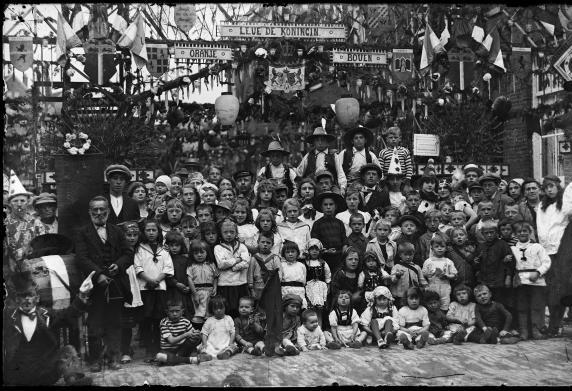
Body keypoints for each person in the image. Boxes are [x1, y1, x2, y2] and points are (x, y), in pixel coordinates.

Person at [3, 270, 96, 386]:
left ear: (37, 298)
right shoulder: (7, 318)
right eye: (23, 296)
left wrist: (82, 294)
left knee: (68, 350)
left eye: (30, 295)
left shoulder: (47, 315)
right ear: (17, 299)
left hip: (45, 373)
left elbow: (68, 315)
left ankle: (73, 381)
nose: (27, 299)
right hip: (17, 377)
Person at [74, 196, 133, 371]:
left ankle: (113, 358)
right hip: (94, 287)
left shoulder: (117, 231)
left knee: (114, 322)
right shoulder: (82, 233)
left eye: (102, 209)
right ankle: (95, 360)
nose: (99, 213)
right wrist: (98, 275)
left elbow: (128, 253)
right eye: (95, 210)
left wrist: (119, 265)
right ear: (89, 212)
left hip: (115, 284)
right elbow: (81, 258)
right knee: (94, 323)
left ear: (107, 211)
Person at [536, 177, 572, 337]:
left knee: (561, 289)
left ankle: (556, 325)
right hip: (546, 252)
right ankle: (553, 324)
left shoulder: (564, 205)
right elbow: (540, 228)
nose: (549, 190)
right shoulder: (541, 206)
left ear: (558, 187)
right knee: (549, 290)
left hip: (561, 251)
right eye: (546, 187)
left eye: (552, 186)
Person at [134, 218, 174, 361]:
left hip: (160, 288)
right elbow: (137, 267)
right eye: (148, 230)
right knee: (146, 318)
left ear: (158, 232)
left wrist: (157, 280)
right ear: (143, 232)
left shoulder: (164, 250)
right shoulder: (139, 248)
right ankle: (148, 349)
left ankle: (158, 348)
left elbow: (168, 268)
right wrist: (149, 280)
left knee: (159, 318)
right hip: (145, 288)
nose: (151, 233)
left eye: (154, 230)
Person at [511, 221, 551, 340]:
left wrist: (538, 272)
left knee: (536, 306)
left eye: (525, 231)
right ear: (515, 234)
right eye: (519, 231)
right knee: (522, 307)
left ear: (530, 232)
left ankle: (536, 330)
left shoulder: (537, 247)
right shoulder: (512, 249)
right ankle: (524, 332)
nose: (522, 233)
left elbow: (546, 262)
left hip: (536, 282)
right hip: (521, 282)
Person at [474, 220, 514, 315]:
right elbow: (477, 264)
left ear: (496, 232)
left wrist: (508, 277)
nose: (489, 235)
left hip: (499, 280)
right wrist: (475, 262)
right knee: (487, 303)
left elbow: (511, 262)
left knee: (500, 303)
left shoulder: (502, 244)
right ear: (482, 234)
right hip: (485, 280)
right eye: (486, 233)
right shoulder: (481, 246)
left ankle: (504, 325)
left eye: (491, 232)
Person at [118, 221, 144, 365]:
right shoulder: (120, 250)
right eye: (129, 235)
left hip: (139, 284)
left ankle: (131, 347)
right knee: (123, 319)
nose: (132, 238)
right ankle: (124, 350)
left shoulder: (140, 249)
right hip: (125, 284)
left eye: (135, 235)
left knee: (134, 319)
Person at [213, 218, 250, 319]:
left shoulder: (242, 247)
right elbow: (221, 264)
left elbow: (246, 262)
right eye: (225, 232)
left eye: (232, 232)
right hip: (225, 284)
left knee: (241, 311)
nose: (229, 235)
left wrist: (234, 267)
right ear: (220, 233)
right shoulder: (218, 248)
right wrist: (237, 260)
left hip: (240, 283)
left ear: (236, 233)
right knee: (227, 310)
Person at [297, 126, 346, 193]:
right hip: (314, 185)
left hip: (330, 185)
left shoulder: (333, 155)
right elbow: (299, 173)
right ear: (314, 142)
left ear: (327, 142)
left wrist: (342, 187)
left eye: (322, 140)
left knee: (337, 195)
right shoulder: (309, 155)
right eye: (317, 140)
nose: (320, 143)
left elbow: (340, 173)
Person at [154, 300, 201, 365]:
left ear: (182, 311)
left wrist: (196, 334)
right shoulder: (164, 322)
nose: (175, 314)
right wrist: (186, 334)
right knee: (159, 356)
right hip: (168, 351)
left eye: (177, 311)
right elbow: (172, 341)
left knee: (194, 338)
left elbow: (192, 335)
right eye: (172, 311)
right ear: (167, 312)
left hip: (182, 350)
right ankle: (188, 360)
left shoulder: (185, 321)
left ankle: (175, 359)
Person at [5, 172, 35, 272]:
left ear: (28, 202)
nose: (19, 204)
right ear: (9, 203)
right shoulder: (5, 224)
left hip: (34, 268)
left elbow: (42, 245)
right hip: (9, 270)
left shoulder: (36, 223)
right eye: (15, 201)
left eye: (22, 201)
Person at [311, 191, 348, 272]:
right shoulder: (317, 224)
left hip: (338, 258)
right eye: (325, 205)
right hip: (323, 258)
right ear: (321, 207)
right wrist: (326, 251)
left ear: (335, 206)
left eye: (331, 204)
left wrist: (344, 248)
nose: (328, 207)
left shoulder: (339, 223)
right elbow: (314, 243)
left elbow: (344, 239)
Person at [422, 233, 458, 311]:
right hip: (432, 287)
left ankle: (443, 320)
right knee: (432, 304)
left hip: (445, 287)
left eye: (442, 246)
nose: (439, 248)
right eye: (437, 247)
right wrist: (430, 274)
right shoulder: (428, 261)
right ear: (432, 248)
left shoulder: (448, 261)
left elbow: (455, 275)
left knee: (444, 304)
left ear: (446, 248)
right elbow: (423, 274)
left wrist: (447, 276)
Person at [187, 239, 219, 328]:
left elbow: (215, 277)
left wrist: (215, 287)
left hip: (209, 292)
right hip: (198, 292)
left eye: (202, 252)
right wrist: (195, 294)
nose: (199, 255)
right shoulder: (191, 265)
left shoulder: (211, 264)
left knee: (209, 314)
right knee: (198, 314)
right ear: (192, 254)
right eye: (196, 253)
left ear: (207, 253)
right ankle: (198, 334)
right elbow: (189, 279)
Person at [198, 296, 240, 361]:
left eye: (221, 308)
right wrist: (204, 343)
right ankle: (205, 355)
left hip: (226, 342)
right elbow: (204, 333)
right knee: (202, 348)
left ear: (225, 307)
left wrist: (230, 343)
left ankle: (227, 353)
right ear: (212, 309)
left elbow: (233, 332)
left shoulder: (228, 318)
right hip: (211, 343)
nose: (218, 310)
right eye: (215, 308)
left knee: (234, 347)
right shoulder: (209, 320)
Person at [165, 231, 193, 320]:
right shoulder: (166, 258)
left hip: (185, 290)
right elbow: (166, 275)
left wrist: (189, 287)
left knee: (185, 310)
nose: (174, 248)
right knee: (173, 310)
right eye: (171, 245)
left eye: (177, 246)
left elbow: (190, 274)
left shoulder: (185, 259)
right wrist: (176, 284)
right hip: (172, 290)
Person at [390, 242, 428, 308]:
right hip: (400, 295)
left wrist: (426, 287)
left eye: (410, 255)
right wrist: (397, 276)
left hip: (413, 294)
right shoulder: (396, 267)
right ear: (400, 255)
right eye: (405, 254)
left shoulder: (417, 267)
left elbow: (422, 280)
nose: (408, 257)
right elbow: (393, 280)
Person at [304, 238, 331, 326]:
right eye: (312, 249)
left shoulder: (323, 263)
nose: (314, 251)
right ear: (308, 251)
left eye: (317, 249)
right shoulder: (305, 263)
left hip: (320, 289)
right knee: (310, 308)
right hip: (309, 288)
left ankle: (319, 327)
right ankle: (309, 327)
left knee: (319, 309)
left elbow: (327, 276)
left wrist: (327, 289)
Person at [248, 231, 282, 301]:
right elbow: (250, 273)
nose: (265, 244)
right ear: (258, 242)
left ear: (272, 244)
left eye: (268, 243)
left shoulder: (275, 258)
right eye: (263, 242)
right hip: (256, 288)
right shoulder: (254, 258)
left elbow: (279, 274)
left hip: (270, 288)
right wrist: (251, 289)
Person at [280, 240, 307, 309]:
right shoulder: (282, 266)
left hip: (299, 291)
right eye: (287, 252)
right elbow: (279, 279)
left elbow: (304, 281)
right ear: (283, 254)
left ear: (297, 253)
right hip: (286, 291)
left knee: (299, 308)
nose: (290, 254)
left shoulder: (301, 266)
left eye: (293, 251)